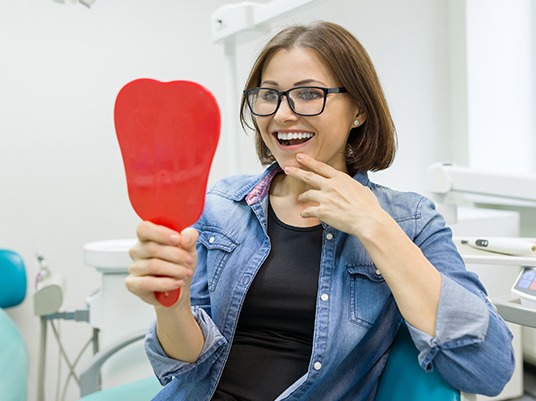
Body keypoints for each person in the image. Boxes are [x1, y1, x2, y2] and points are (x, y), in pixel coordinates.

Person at [126, 21, 515, 401]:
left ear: (359, 110)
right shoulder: (220, 207)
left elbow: (489, 369)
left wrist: (374, 225)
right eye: (269, 94)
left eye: (309, 94)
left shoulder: (409, 221)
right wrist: (173, 306)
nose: (281, 115)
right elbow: (185, 366)